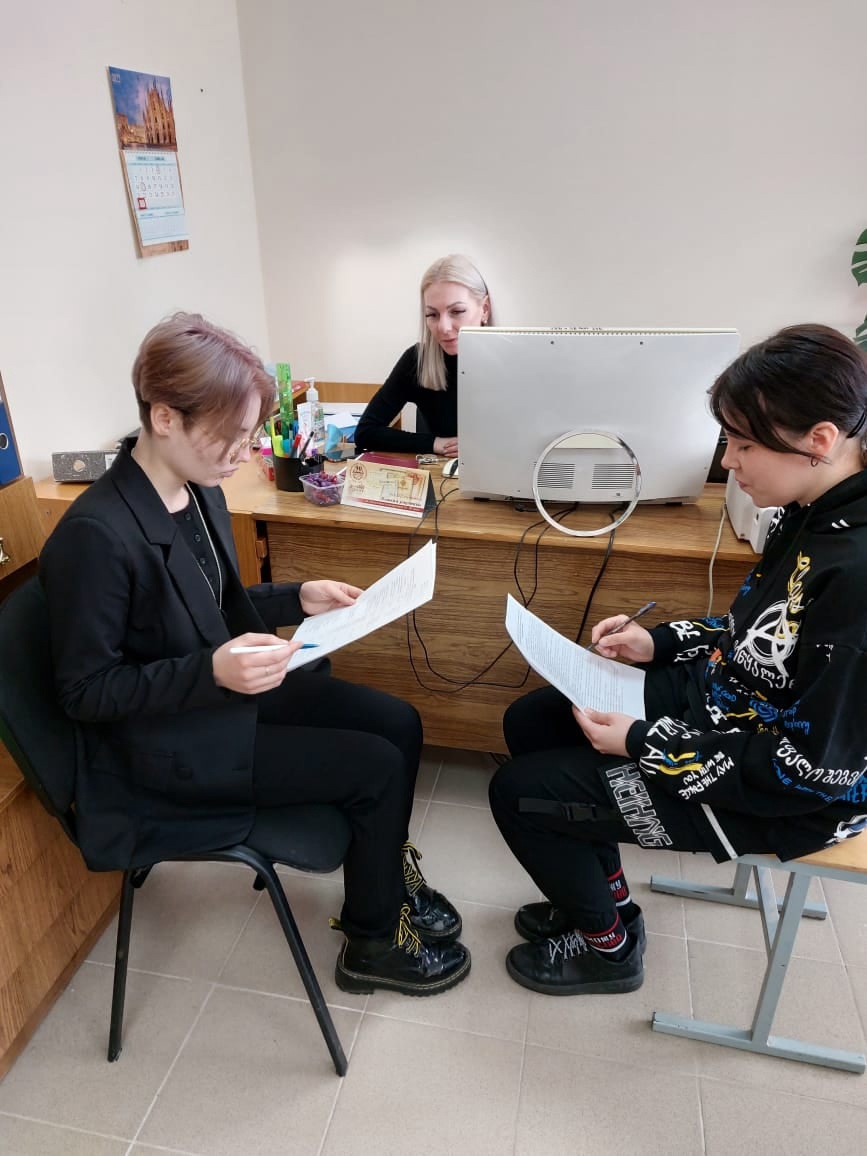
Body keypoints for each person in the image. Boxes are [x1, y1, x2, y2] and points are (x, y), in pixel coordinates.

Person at [40, 312, 470, 997]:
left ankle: (386, 876)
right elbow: (85, 691)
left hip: (217, 695)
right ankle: (372, 941)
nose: (244, 454)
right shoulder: (96, 535)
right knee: (375, 767)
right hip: (165, 743)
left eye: (250, 436)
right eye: (231, 436)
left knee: (399, 722)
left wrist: (298, 596)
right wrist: (210, 669)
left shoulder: (196, 489)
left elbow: (209, 601)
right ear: (164, 417)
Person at [489, 323, 867, 997]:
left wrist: (644, 742)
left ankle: (608, 950)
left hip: (782, 793)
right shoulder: (813, 510)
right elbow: (763, 634)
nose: (728, 462)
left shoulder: (856, 572)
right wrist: (659, 643)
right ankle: (604, 904)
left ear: (819, 440)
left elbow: (811, 771)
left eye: (744, 444)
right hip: (726, 709)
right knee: (534, 721)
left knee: (519, 794)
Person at [353, 253, 492, 456]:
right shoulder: (418, 360)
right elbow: (366, 432)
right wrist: (436, 443)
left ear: (484, 310)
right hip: (444, 471)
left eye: (457, 311)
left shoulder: (512, 361)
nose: (443, 327)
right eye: (432, 314)